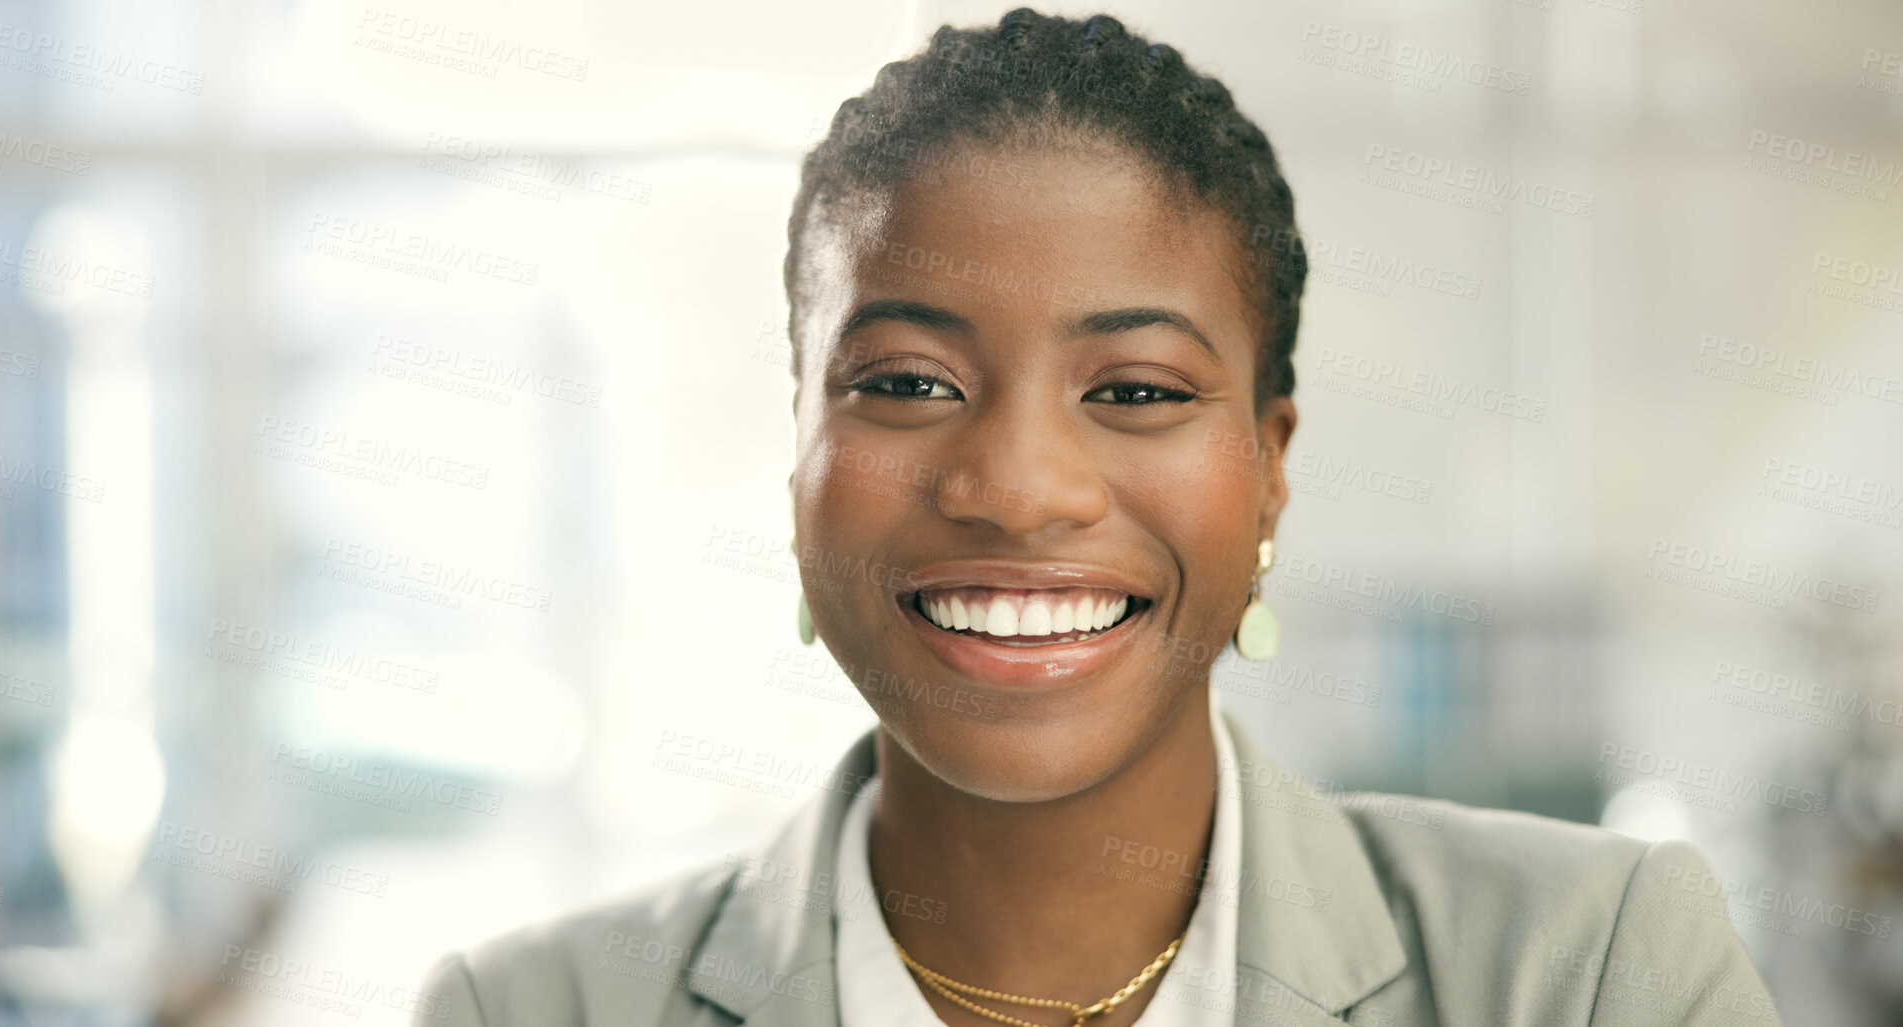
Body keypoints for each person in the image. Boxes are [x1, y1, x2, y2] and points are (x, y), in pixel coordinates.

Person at [414, 9, 1782, 1025]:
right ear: (799, 463)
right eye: (908, 382)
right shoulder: (525, 1012)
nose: (1018, 489)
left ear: (1270, 469)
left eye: (1134, 390)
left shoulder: (1592, 975)